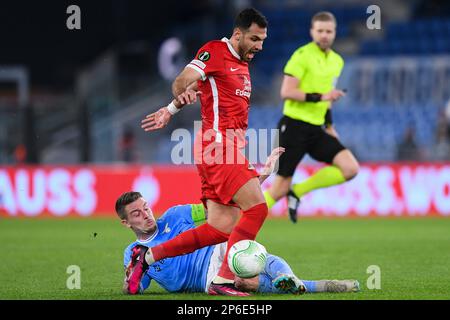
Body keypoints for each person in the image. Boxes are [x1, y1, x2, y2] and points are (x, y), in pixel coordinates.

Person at [137, 8, 271, 296]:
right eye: (255, 39)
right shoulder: (214, 51)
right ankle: (222, 281)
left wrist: (170, 110)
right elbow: (184, 80)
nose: (259, 46)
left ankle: (147, 257)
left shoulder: (242, 64)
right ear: (238, 34)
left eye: (262, 40)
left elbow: (203, 89)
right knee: (258, 208)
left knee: (220, 228)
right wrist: (177, 94)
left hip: (226, 147)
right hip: (218, 146)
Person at [117, 191, 361, 295]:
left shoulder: (174, 215)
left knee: (248, 252)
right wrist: (129, 280)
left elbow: (220, 207)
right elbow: (136, 288)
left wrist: (256, 182)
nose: (146, 214)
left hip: (217, 250)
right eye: (136, 213)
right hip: (204, 281)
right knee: (248, 283)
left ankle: (291, 278)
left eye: (146, 207)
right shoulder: (133, 253)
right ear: (126, 223)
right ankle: (323, 285)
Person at [263, 11, 359, 223]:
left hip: (317, 129)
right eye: (320, 31)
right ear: (312, 32)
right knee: (279, 187)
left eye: (329, 31)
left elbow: (328, 95)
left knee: (350, 168)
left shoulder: (337, 61)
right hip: (293, 126)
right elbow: (286, 92)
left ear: (334, 33)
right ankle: (242, 224)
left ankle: (298, 191)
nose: (324, 35)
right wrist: (322, 96)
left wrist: (330, 125)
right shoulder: (301, 56)